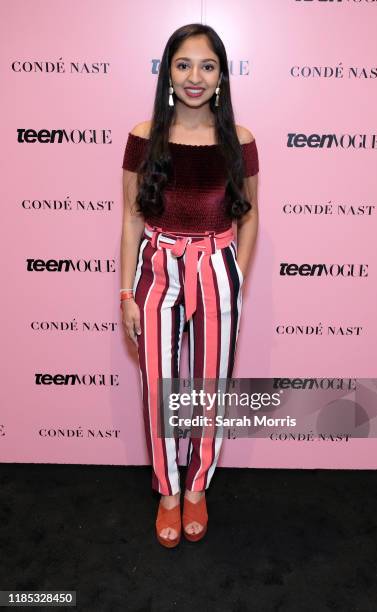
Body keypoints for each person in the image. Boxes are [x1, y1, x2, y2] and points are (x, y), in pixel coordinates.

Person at [120, 23, 259, 548]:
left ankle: (198, 484)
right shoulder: (142, 136)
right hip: (157, 269)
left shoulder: (238, 140)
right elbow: (132, 220)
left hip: (217, 267)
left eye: (207, 66)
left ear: (221, 75)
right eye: (183, 65)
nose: (194, 77)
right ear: (167, 72)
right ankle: (169, 491)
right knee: (158, 389)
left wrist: (237, 276)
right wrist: (125, 293)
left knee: (209, 388)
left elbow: (252, 214)